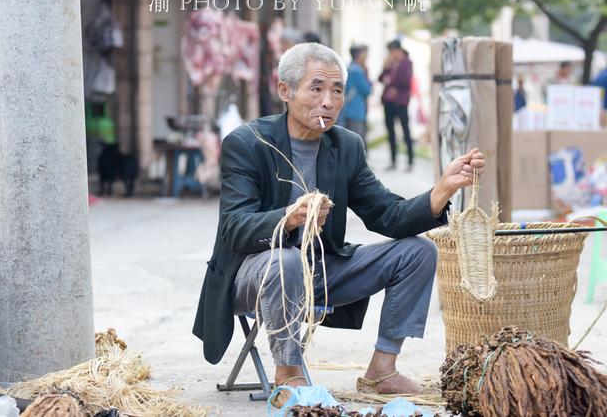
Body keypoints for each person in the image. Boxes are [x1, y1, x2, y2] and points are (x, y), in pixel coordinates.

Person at [192, 43, 486, 407]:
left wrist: (442, 190)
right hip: (254, 273)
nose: (328, 101)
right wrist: (289, 217)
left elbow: (386, 215)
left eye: (336, 91)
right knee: (285, 262)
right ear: (285, 90)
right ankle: (288, 373)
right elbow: (234, 227)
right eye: (316, 88)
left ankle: (382, 370)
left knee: (418, 251)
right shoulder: (248, 143)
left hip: (321, 270)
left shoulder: (346, 146)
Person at [379, 40, 414, 172]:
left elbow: (405, 81)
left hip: (401, 102)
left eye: (392, 51)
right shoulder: (390, 63)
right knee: (390, 131)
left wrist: (390, 81)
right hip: (388, 101)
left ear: (398, 50)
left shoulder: (407, 62)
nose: (391, 54)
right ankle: (393, 161)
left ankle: (410, 161)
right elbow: (380, 78)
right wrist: (385, 67)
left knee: (405, 131)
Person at [338, 44, 372, 146]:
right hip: (356, 111)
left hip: (349, 110)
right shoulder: (357, 70)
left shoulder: (349, 67)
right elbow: (367, 90)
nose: (366, 56)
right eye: (365, 54)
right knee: (357, 142)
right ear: (359, 55)